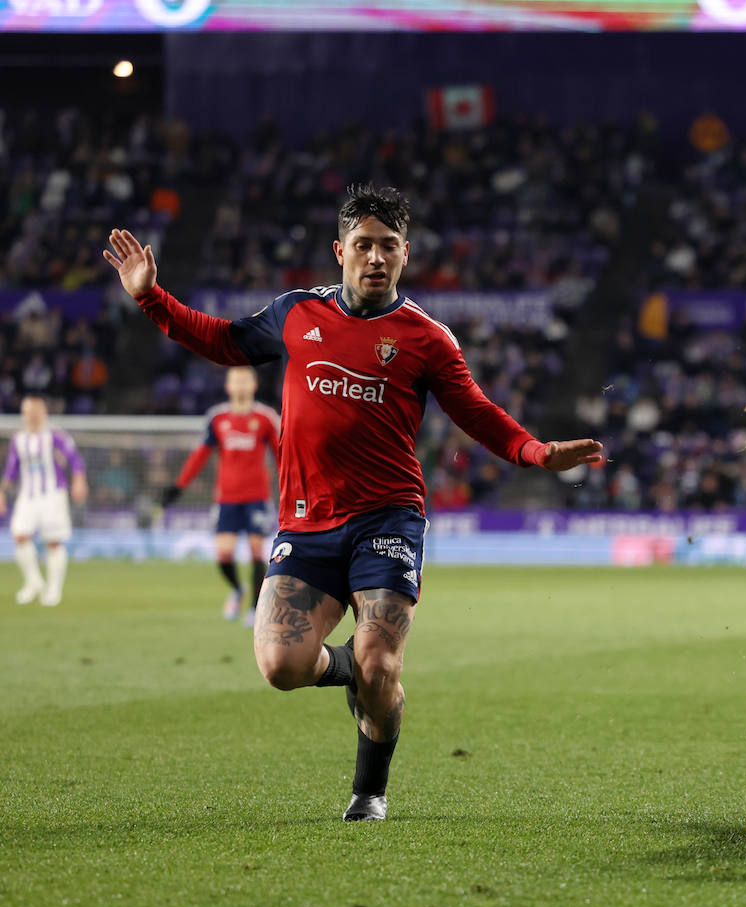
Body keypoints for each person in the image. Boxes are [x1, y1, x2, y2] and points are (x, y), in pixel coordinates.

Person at [104, 184, 603, 821]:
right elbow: (222, 341)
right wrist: (150, 297)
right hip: (306, 524)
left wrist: (536, 453)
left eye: (388, 247)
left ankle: (369, 791)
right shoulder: (295, 313)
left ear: (405, 254)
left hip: (388, 519)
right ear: (340, 250)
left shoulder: (427, 339)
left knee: (381, 660)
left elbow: (478, 415)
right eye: (362, 245)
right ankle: (352, 675)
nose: (374, 257)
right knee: (280, 665)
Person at [161, 365, 281, 626]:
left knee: (256, 552)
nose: (239, 385)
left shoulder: (265, 418)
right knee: (223, 555)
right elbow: (200, 455)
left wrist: (292, 488)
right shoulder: (217, 419)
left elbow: (281, 456)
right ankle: (238, 590)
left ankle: (254, 608)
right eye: (234, 381)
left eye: (244, 380)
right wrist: (178, 487)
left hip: (257, 498)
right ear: (227, 387)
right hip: (226, 499)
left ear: (253, 385)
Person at [1, 394, 88, 607]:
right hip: (28, 496)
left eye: (36, 412)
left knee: (53, 541)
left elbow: (75, 459)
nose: (32, 416)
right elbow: (11, 470)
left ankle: (54, 589)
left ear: (44, 413)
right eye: (28, 412)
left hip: (52, 495)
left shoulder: (56, 436)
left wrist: (79, 481)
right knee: (20, 535)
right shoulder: (18, 440)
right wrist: (2, 492)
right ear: (23, 415)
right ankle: (33, 582)